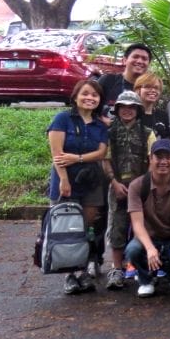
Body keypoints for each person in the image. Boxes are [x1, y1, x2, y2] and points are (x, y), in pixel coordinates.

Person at [47, 78, 110, 294]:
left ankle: (83, 270)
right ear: (75, 97)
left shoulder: (99, 125)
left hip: (92, 181)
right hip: (66, 180)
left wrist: (77, 158)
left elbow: (101, 152)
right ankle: (69, 274)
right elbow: (57, 155)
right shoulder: (62, 119)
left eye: (94, 95)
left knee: (87, 228)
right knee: (67, 228)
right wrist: (64, 180)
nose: (90, 98)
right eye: (85, 93)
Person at [125, 139, 170, 297]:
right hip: (148, 237)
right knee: (132, 250)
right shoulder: (137, 186)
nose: (163, 162)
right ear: (150, 159)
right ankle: (146, 279)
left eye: (168, 157)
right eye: (158, 157)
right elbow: (137, 224)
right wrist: (150, 248)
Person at [100, 91, 155, 290]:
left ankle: (142, 266)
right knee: (117, 226)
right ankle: (116, 269)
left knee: (145, 226)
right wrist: (114, 183)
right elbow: (105, 159)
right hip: (118, 187)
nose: (127, 110)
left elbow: (153, 160)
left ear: (138, 110)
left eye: (132, 107)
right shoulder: (109, 133)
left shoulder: (147, 132)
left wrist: (143, 184)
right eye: (123, 107)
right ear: (117, 109)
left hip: (141, 187)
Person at [98, 42, 152, 115]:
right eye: (135, 57)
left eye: (144, 59)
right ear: (124, 60)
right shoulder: (108, 80)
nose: (139, 61)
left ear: (148, 64)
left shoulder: (149, 89)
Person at [134, 72, 170, 139]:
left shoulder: (163, 115)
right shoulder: (131, 115)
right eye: (148, 87)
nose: (153, 90)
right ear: (138, 90)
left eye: (156, 88)